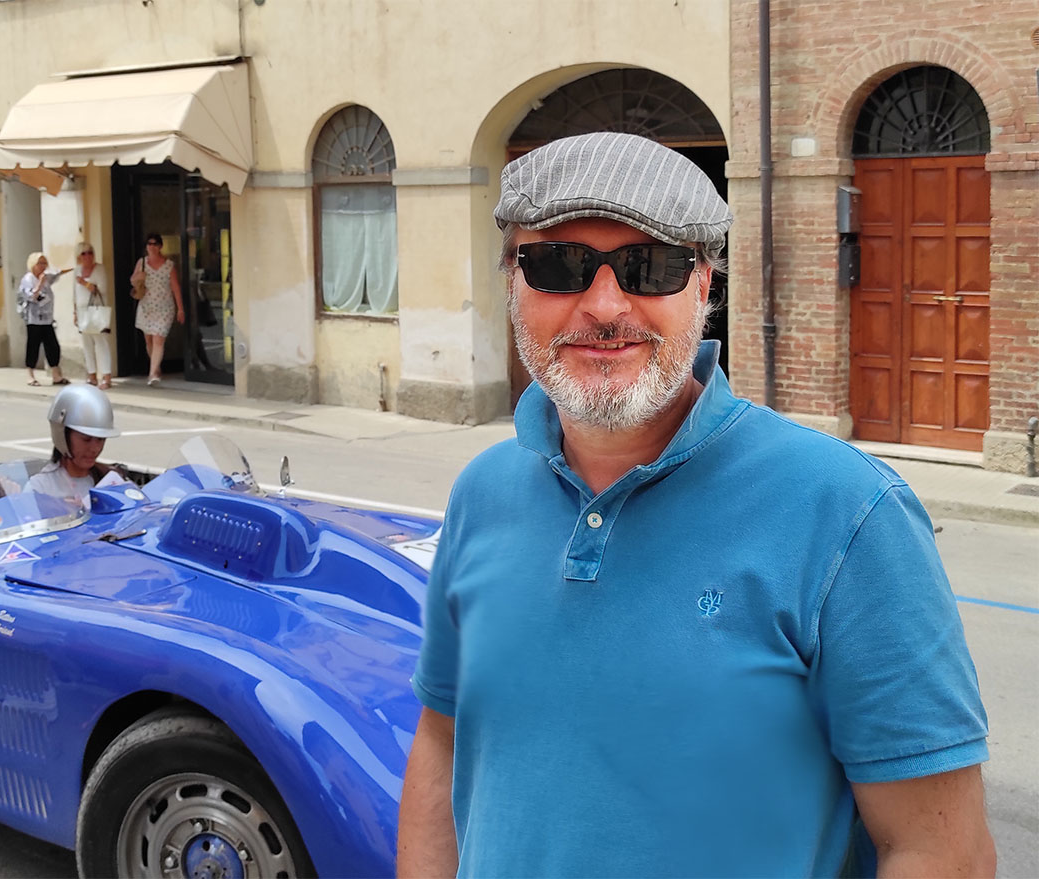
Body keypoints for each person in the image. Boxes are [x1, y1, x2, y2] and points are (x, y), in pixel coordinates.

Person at [398, 133, 995, 878]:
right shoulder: (482, 492)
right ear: (512, 282)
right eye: (558, 265)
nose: (605, 306)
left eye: (651, 266)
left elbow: (940, 850)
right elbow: (444, 738)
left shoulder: (849, 513)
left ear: (703, 286)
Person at [24, 384, 121, 506]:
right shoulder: (40, 487)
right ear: (63, 435)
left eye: (101, 439)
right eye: (86, 439)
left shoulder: (110, 481)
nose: (95, 448)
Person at [131, 232, 185, 386]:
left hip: (164, 307)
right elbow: (132, 280)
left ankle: (152, 373)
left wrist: (180, 309)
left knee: (158, 339)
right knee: (149, 340)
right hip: (146, 307)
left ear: (160, 246)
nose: (152, 247)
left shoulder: (169, 265)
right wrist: (139, 277)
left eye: (155, 244)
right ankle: (156, 367)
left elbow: (175, 287)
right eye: (149, 244)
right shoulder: (142, 262)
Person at [19, 251, 72, 387]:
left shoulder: (47, 277)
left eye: (44, 263)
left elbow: (58, 273)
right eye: (40, 263)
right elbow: (31, 296)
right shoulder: (28, 279)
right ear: (33, 264)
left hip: (47, 319)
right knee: (33, 346)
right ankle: (30, 375)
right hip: (33, 319)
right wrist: (40, 283)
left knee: (53, 346)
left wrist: (73, 268)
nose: (43, 266)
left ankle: (56, 375)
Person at [73, 241, 112, 389]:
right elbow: (74, 294)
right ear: (79, 256)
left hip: (96, 310)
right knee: (87, 344)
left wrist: (85, 283)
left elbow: (102, 289)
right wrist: (74, 312)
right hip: (82, 311)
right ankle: (92, 375)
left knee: (101, 343)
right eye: (84, 253)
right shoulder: (77, 270)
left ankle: (106, 377)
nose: (88, 256)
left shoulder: (99, 269)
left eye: (90, 252)